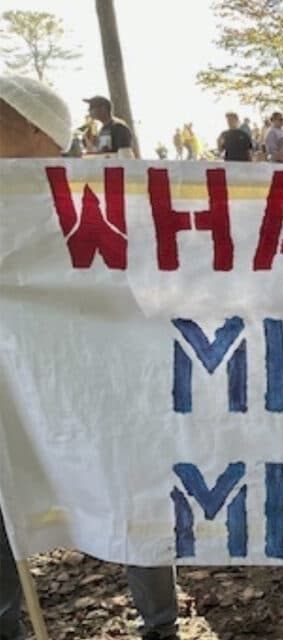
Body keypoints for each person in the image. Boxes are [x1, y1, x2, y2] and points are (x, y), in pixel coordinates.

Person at [0, 76, 181, 640]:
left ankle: (161, 627)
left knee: (131, 495)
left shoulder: (91, 199)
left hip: (92, 377)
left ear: (38, 131)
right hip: (12, 386)